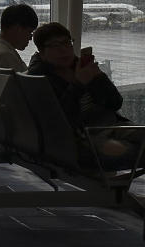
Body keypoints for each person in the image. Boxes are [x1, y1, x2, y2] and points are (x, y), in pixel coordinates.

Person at [27, 22, 140, 166]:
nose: (64, 50)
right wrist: (78, 84)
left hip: (109, 125)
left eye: (67, 43)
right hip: (80, 136)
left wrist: (99, 77)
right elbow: (59, 121)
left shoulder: (79, 67)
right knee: (126, 150)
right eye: (55, 46)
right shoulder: (39, 78)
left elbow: (115, 103)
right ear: (42, 53)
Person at [0, 3, 38, 72]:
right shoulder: (6, 56)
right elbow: (25, 82)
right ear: (18, 29)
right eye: (29, 32)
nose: (30, 38)